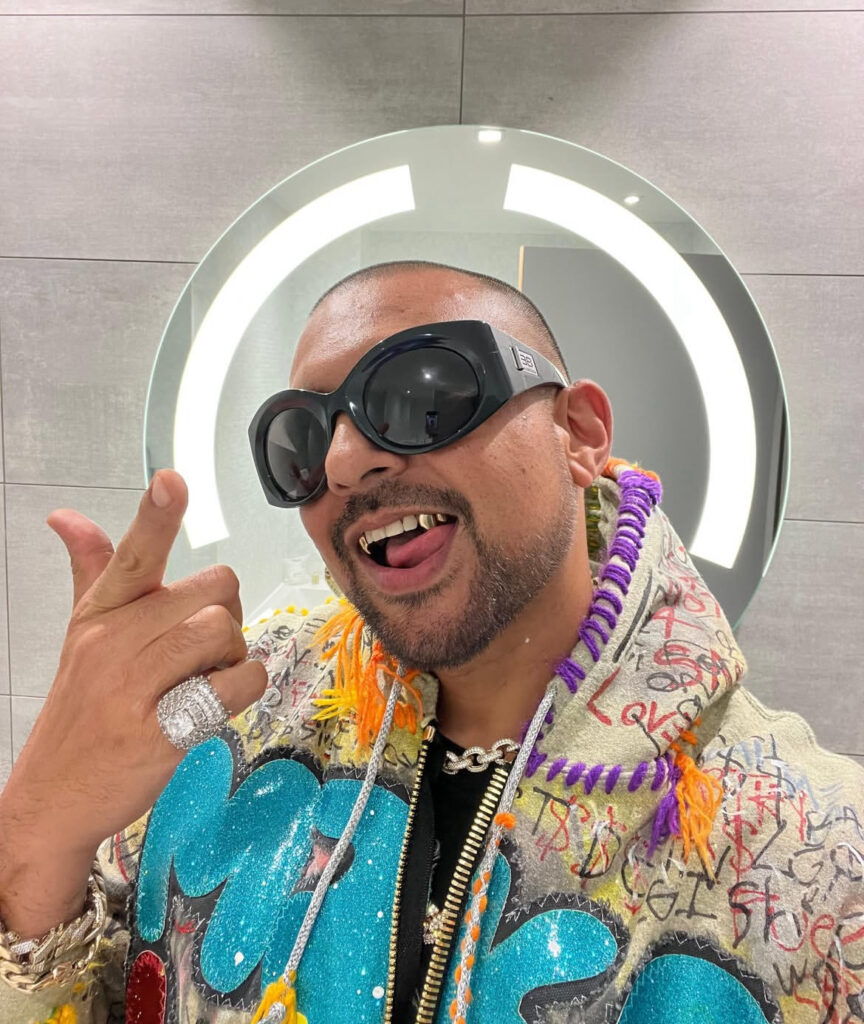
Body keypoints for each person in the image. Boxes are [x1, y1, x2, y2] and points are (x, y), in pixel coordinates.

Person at [0, 261, 861, 1024]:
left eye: (421, 396)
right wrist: (38, 839)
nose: (344, 463)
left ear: (579, 434)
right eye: (300, 443)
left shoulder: (816, 859)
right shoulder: (226, 723)